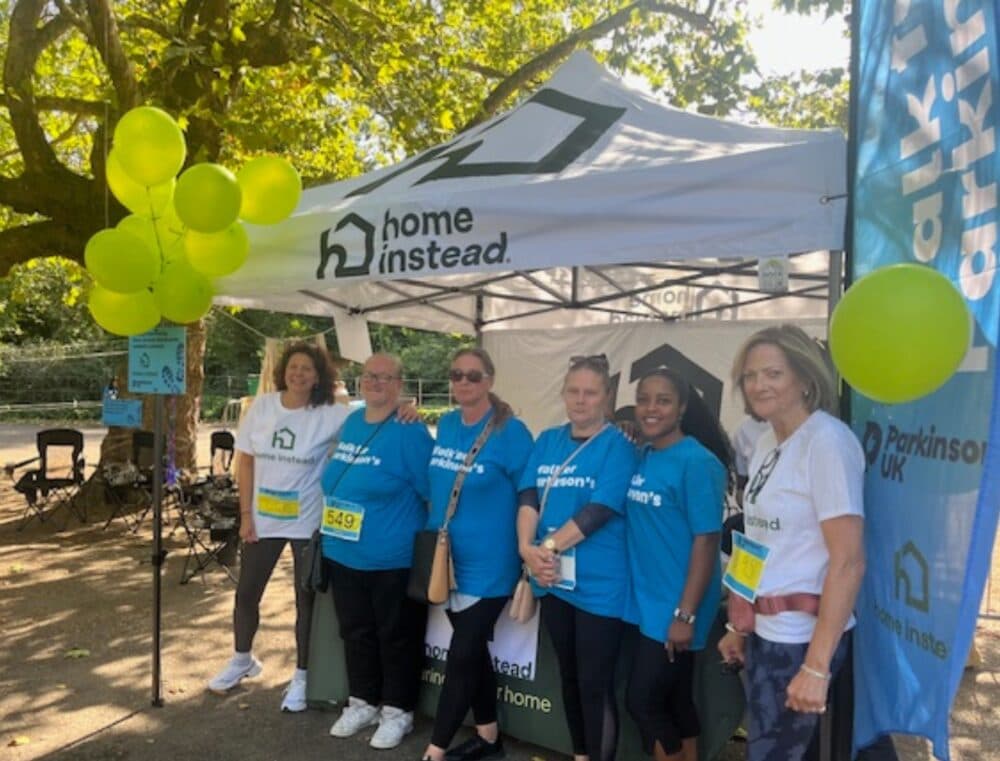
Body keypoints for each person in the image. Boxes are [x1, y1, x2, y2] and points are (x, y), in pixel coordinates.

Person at [717, 324, 865, 761]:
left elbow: (848, 562)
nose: (759, 384)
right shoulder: (765, 442)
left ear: (805, 378)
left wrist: (817, 666)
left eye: (773, 373)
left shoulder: (827, 443)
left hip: (803, 637)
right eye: (750, 375)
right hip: (766, 631)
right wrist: (737, 623)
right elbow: (757, 540)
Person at [207, 342, 349, 712]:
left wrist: (405, 410)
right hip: (263, 520)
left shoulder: (332, 413)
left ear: (319, 377)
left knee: (306, 602)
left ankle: (302, 676)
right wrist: (246, 515)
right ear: (283, 370)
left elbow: (372, 421)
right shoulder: (263, 407)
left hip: (307, 521)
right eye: (293, 367)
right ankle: (242, 660)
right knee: (247, 592)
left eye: (307, 369)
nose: (298, 374)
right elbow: (247, 461)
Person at [516, 354, 636, 761]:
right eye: (573, 391)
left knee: (593, 683)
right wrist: (525, 548)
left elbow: (599, 510)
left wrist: (544, 550)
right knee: (567, 676)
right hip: (552, 580)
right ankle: (581, 754)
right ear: (563, 393)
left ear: (606, 396)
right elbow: (528, 496)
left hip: (600, 585)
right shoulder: (548, 439)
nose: (581, 400)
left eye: (590, 392)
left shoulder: (619, 446)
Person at [419, 348, 534, 761]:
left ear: (489, 380)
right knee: (473, 653)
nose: (463, 382)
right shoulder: (447, 424)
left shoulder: (511, 431)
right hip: (446, 564)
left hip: (492, 564)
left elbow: (530, 494)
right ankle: (489, 738)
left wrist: (530, 547)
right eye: (456, 375)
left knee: (463, 652)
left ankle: (436, 748)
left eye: (473, 375)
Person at [322, 353, 434, 749]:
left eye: (386, 378)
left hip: (392, 557)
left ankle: (397, 710)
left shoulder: (410, 431)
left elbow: (430, 493)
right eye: (370, 376)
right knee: (355, 632)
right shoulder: (353, 421)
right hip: (343, 551)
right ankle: (363, 701)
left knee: (396, 636)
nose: (376, 383)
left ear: (400, 385)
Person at [624, 367, 731, 761]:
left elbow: (707, 540)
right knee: (675, 697)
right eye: (644, 399)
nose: (651, 409)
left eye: (663, 400)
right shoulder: (645, 454)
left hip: (679, 599)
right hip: (647, 596)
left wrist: (684, 615)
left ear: (682, 407)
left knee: (642, 702)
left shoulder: (698, 463)